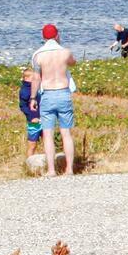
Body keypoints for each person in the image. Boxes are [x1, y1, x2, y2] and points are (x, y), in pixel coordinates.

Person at [31, 23, 76, 177]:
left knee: (48, 133)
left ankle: (51, 170)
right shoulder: (65, 52)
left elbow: (36, 78)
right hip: (63, 93)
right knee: (66, 133)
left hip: (47, 94)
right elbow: (73, 62)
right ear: (57, 35)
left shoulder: (38, 55)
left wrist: (33, 98)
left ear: (43, 37)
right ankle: (69, 169)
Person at [17, 67, 44, 171]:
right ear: (27, 78)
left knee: (47, 141)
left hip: (43, 118)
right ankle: (29, 165)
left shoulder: (38, 88)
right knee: (32, 144)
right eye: (34, 78)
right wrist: (31, 117)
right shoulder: (25, 91)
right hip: (33, 121)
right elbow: (23, 106)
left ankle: (48, 164)